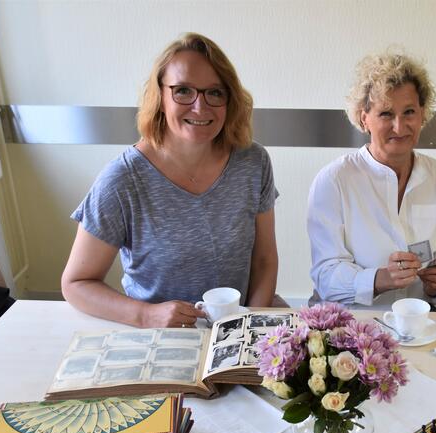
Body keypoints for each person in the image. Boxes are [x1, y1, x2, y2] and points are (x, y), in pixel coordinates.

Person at [62, 33, 279, 328]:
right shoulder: (123, 180)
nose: (200, 107)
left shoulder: (253, 162)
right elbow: (76, 283)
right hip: (158, 338)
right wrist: (146, 315)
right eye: (183, 91)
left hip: (235, 331)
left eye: (215, 92)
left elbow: (265, 259)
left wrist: (250, 324)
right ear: (160, 97)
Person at [307, 50, 436, 309]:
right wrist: (379, 279)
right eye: (385, 114)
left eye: (409, 112)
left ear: (422, 114)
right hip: (350, 325)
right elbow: (325, 274)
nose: (399, 125)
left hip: (419, 323)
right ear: (364, 118)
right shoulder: (334, 180)